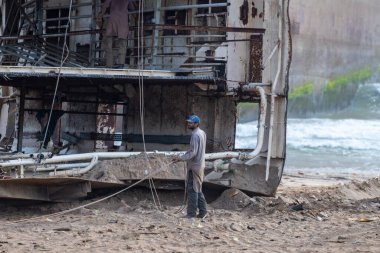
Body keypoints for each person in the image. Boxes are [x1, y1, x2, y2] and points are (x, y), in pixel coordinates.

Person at [173, 115, 208, 219]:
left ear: (196, 124)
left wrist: (180, 158)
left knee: (192, 190)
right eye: (188, 122)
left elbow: (193, 153)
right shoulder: (202, 133)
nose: (189, 124)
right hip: (200, 165)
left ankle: (191, 214)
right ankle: (203, 212)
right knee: (198, 189)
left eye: (191, 123)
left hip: (194, 167)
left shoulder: (195, 135)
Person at [97, 0, 135, 67]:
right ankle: (121, 63)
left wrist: (100, 16)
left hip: (113, 21)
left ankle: (109, 64)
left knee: (108, 43)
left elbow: (105, 5)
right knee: (122, 43)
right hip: (123, 22)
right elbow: (132, 8)